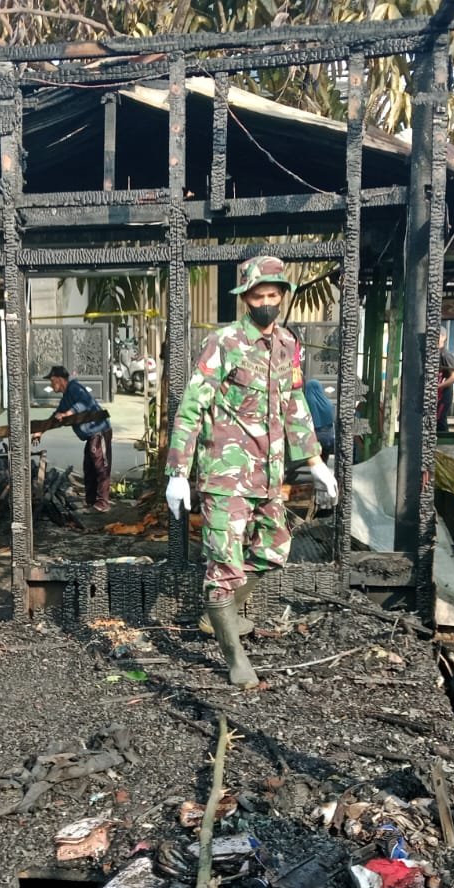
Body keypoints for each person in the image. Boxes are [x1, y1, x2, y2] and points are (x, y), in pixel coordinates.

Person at [165, 255, 338, 687]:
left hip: (268, 474)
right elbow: (193, 405)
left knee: (273, 550)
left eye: (272, 295)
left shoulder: (284, 344)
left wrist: (315, 462)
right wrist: (178, 470)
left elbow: (295, 405)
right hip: (225, 474)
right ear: (245, 297)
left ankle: (215, 613)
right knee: (224, 565)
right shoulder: (223, 342)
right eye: (257, 295)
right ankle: (234, 656)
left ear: (283, 296)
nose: (265, 302)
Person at [45, 364, 113, 512]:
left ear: (58, 379)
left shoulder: (75, 388)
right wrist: (40, 432)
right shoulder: (66, 398)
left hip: (99, 430)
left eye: (51, 381)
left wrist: (67, 414)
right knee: (89, 467)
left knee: (101, 467)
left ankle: (103, 503)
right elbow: (56, 416)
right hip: (91, 435)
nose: (50, 384)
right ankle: (90, 501)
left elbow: (84, 404)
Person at [436, 330, 454, 436]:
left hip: (444, 394)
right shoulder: (433, 354)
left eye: (438, 335)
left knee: (440, 420)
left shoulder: (446, 355)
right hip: (436, 394)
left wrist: (438, 386)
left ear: (444, 337)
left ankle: (444, 444)